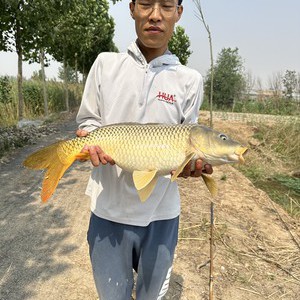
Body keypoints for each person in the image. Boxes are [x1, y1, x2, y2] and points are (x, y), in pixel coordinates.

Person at [76, 0, 213, 299]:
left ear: (178, 12)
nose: (155, 15)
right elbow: (88, 120)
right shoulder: (105, 65)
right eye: (146, 4)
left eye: (166, 6)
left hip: (161, 216)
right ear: (132, 8)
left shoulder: (190, 81)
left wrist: (190, 167)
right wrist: (88, 137)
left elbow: (188, 136)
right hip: (107, 212)